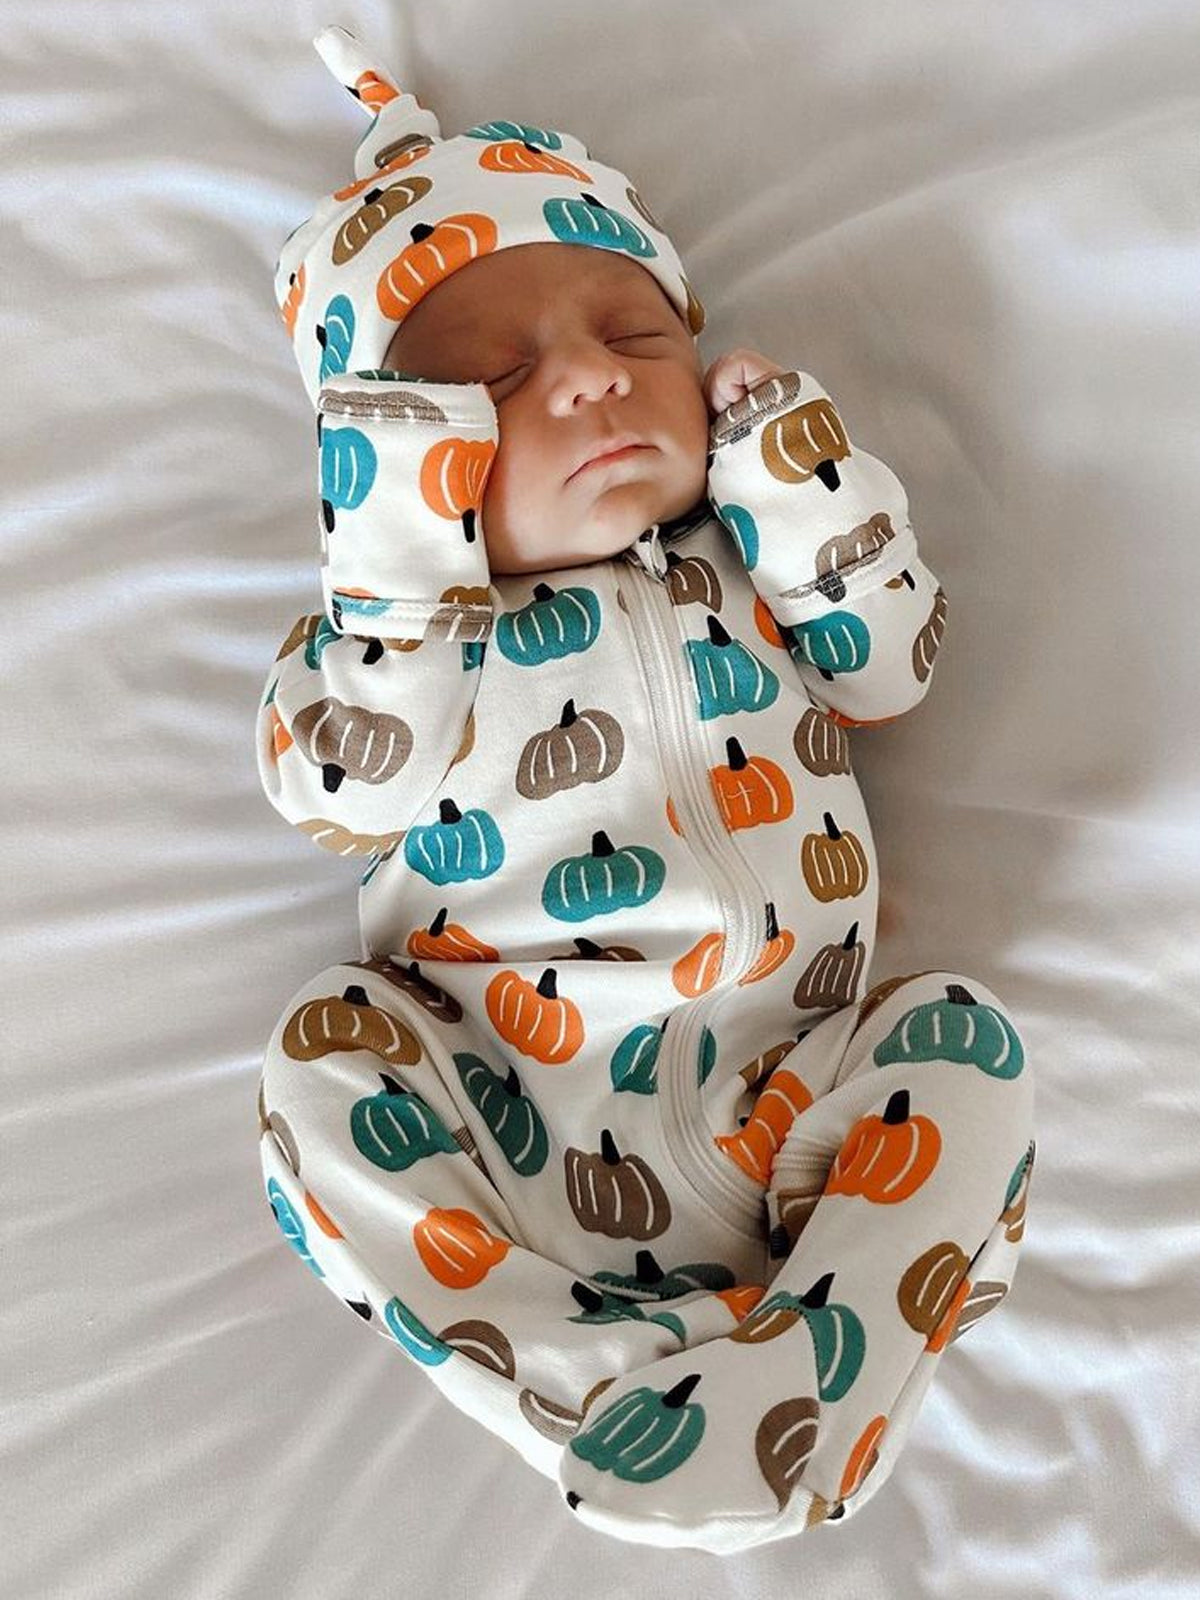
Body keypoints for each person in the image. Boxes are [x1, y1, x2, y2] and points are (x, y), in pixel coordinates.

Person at [255, 24, 1036, 1554]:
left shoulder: (743, 567)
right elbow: (344, 794)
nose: (597, 379)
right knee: (312, 1066)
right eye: (490, 376)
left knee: (969, 1046)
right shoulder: (387, 643)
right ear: (393, 454)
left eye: (638, 331)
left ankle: (838, 1349)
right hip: (504, 1119)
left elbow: (890, 668)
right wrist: (403, 578)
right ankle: (607, 1398)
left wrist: (794, 483)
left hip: (796, 1101)